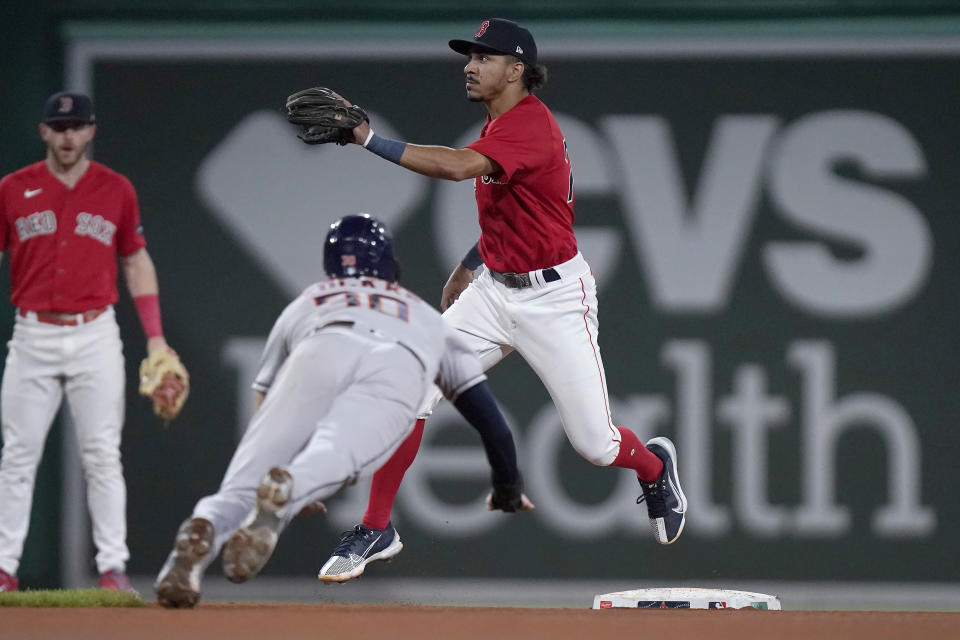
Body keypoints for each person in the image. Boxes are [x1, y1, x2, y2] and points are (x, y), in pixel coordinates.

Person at [314, 18, 688, 583]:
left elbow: (456, 167)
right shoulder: (498, 124)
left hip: (555, 300)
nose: (470, 65)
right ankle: (376, 527)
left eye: (485, 57)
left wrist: (368, 137)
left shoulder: (529, 127)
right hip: (493, 292)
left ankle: (655, 466)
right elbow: (514, 213)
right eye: (469, 56)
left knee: (595, 444)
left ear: (517, 71)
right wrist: (470, 267)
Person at [154, 213, 531, 608]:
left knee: (240, 487)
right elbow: (492, 424)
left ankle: (205, 528)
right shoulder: (419, 314)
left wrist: (267, 461)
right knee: (330, 456)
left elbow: (264, 400)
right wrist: (507, 482)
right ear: (388, 263)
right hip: (384, 377)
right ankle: (294, 486)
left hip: (317, 353)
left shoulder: (309, 300)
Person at [0, 91, 180, 592]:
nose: (67, 136)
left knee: (102, 453)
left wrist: (156, 340)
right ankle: (3, 568)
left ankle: (112, 569)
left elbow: (136, 260)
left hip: (95, 332)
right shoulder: (12, 189)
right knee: (18, 454)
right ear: (43, 132)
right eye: (59, 128)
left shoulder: (115, 190)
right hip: (32, 331)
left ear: (91, 130)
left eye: (76, 126)